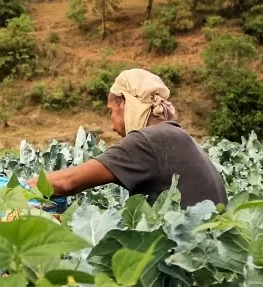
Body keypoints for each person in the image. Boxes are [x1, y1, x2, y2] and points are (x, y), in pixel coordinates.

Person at [30, 69, 226, 209]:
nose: (112, 125)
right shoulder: (179, 137)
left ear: (125, 103)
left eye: (110, 112)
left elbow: (68, 182)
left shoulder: (147, 140)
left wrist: (15, 186)